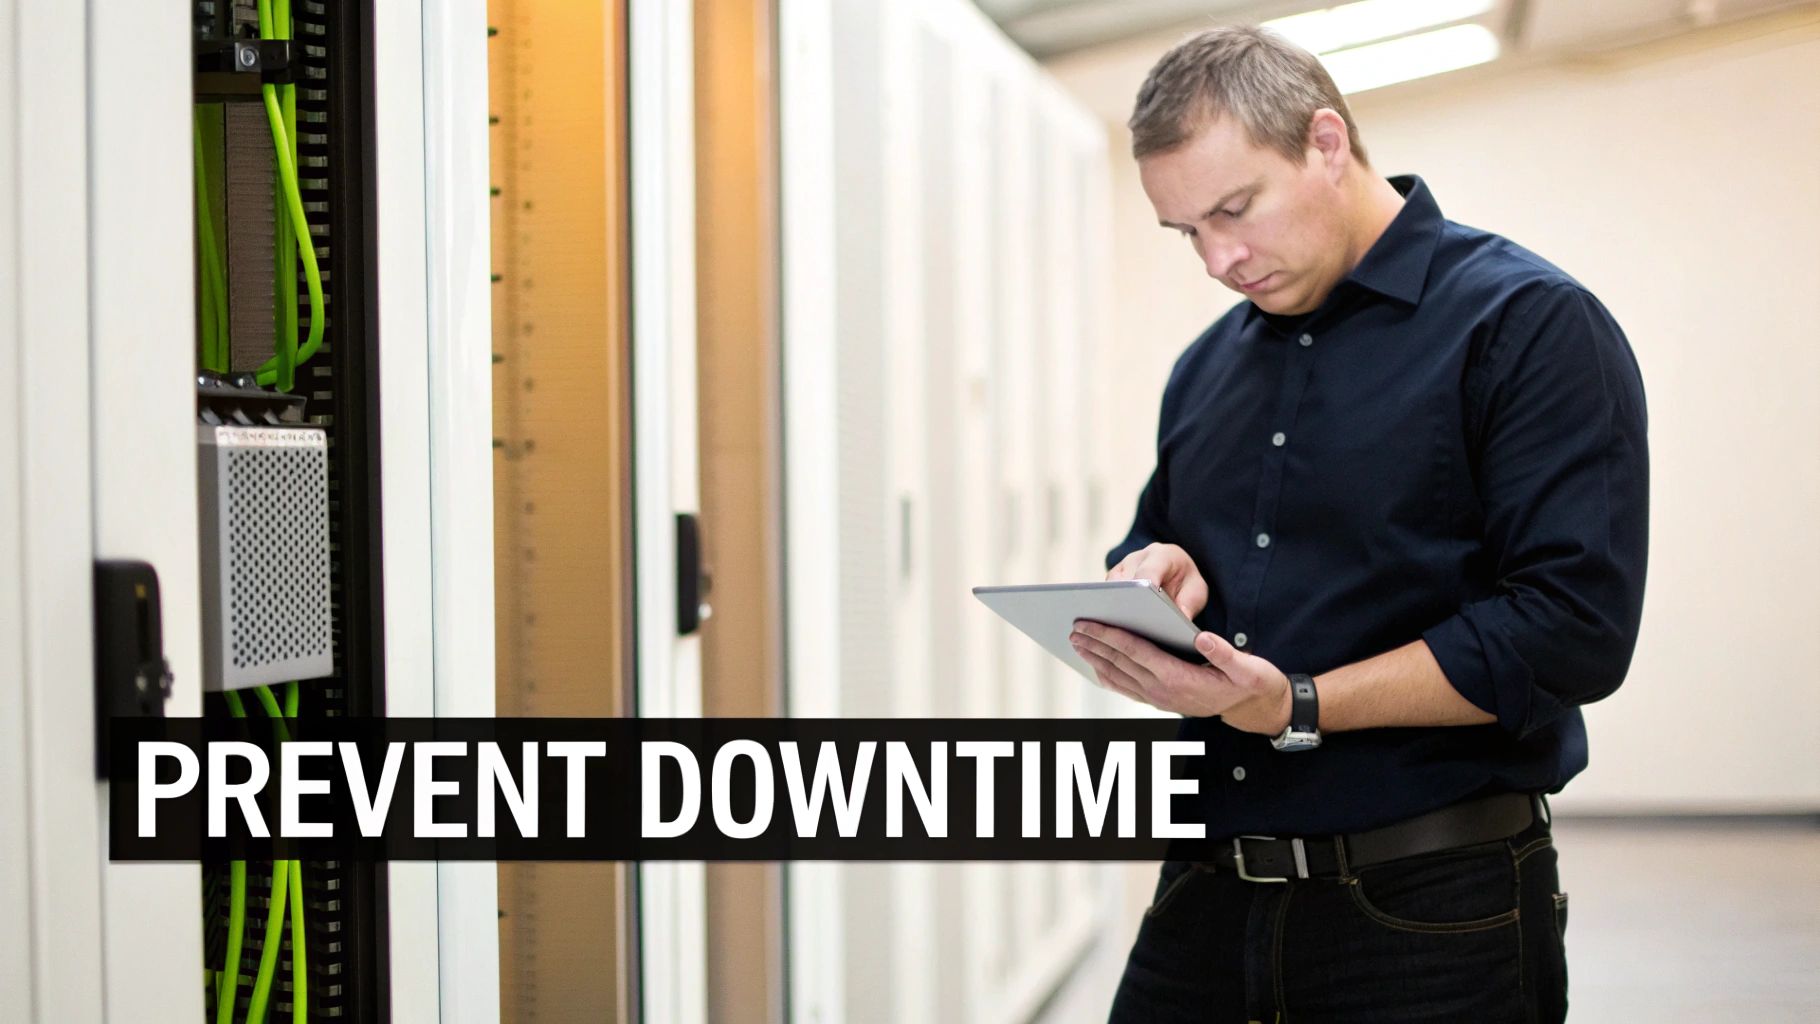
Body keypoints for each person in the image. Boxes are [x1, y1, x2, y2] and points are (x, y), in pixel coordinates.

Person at [1068, 25, 1648, 1024]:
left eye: (1233, 210)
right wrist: (1149, 572)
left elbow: (1569, 629)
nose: (1217, 260)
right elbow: (1154, 537)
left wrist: (1299, 704)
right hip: (1203, 892)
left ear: (1325, 143)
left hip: (1428, 910)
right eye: (1186, 232)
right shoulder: (1205, 369)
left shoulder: (1525, 325)